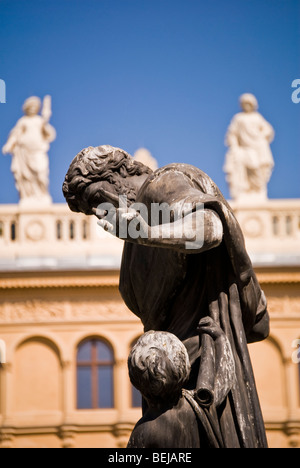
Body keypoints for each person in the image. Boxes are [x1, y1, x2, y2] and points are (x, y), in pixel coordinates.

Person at [63, 144, 270, 448]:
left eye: (96, 199)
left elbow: (210, 228)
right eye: (90, 211)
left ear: (119, 175)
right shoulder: (130, 266)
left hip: (206, 376)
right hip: (166, 387)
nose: (99, 213)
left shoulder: (160, 185)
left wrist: (146, 232)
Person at [2, 95, 56, 203]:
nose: (32, 108)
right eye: (31, 106)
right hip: (24, 151)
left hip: (38, 151)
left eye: (35, 106)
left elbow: (50, 134)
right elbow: (15, 135)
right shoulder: (23, 121)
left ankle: (42, 195)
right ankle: (29, 196)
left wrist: (45, 123)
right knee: (27, 176)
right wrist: (9, 144)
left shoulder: (40, 120)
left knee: (41, 173)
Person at [224, 93, 274, 201]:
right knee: (243, 168)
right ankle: (245, 190)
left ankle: (257, 190)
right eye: (244, 103)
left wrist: (261, 137)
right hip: (244, 149)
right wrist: (234, 147)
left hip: (257, 148)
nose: (246, 105)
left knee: (257, 168)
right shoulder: (238, 118)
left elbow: (268, 129)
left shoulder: (257, 117)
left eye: (248, 103)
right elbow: (232, 133)